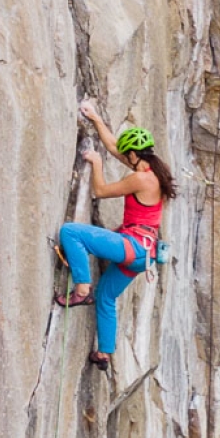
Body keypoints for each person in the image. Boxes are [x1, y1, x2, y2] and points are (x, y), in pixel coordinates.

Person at [56, 100, 175, 368]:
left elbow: (100, 191)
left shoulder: (141, 178)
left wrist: (96, 163)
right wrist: (95, 117)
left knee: (71, 232)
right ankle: (104, 352)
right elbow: (113, 146)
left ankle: (81, 289)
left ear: (134, 154)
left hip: (131, 245)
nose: (125, 158)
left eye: (127, 155)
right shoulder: (153, 171)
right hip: (144, 256)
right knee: (107, 297)